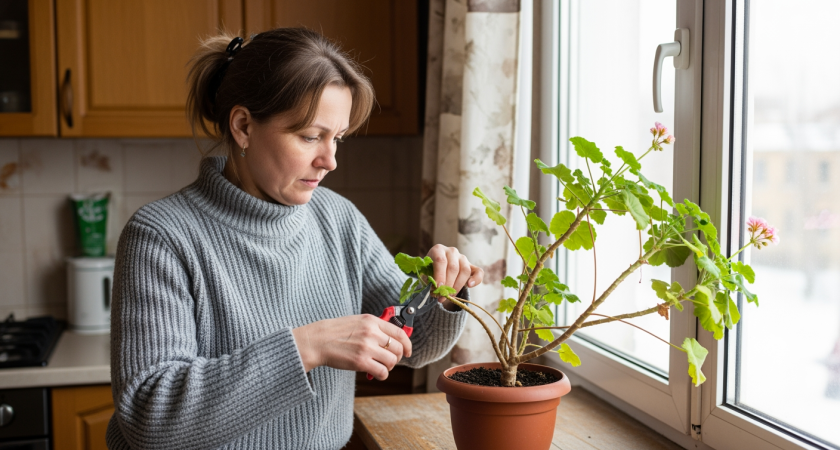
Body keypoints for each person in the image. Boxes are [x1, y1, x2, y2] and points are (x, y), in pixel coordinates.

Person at [105, 28, 483, 449]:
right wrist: (308, 346)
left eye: (337, 138)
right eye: (310, 136)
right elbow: (149, 416)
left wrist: (445, 296)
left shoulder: (338, 218)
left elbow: (412, 341)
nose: (330, 160)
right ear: (243, 126)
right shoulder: (161, 236)